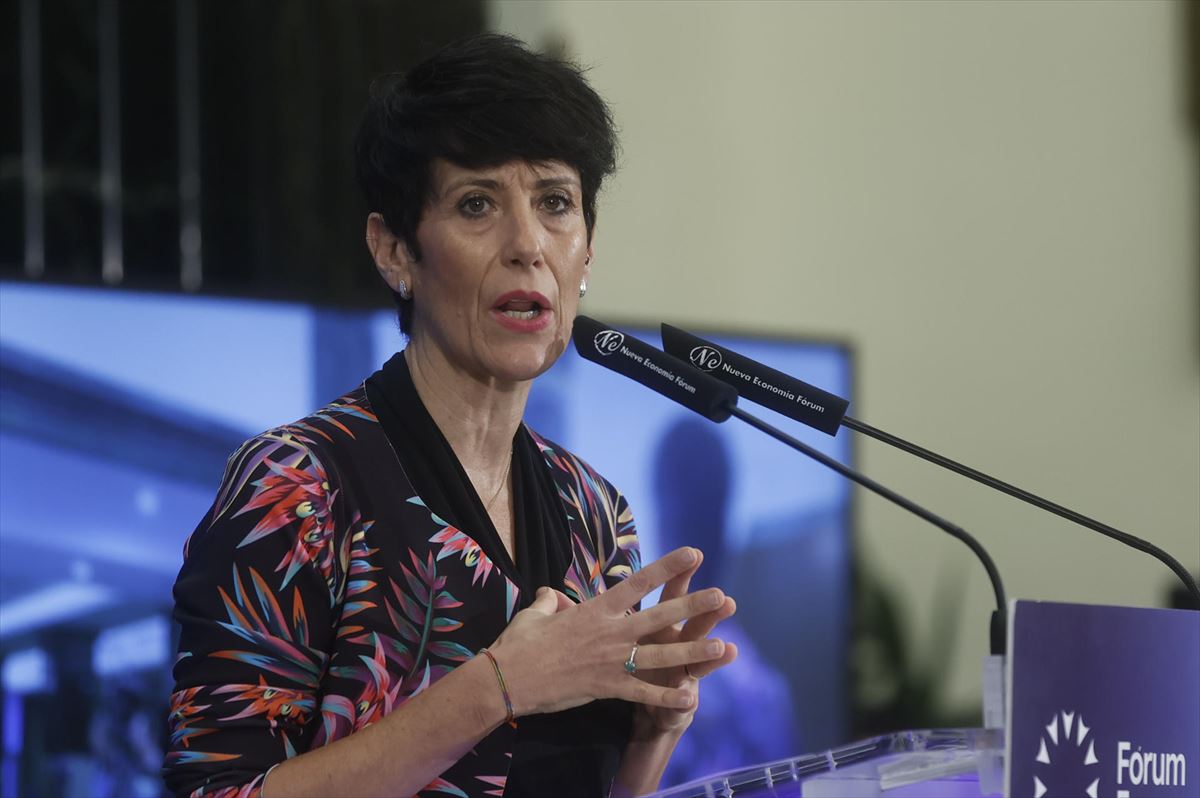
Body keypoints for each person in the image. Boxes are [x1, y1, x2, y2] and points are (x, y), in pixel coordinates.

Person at [163, 34, 738, 798]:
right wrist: (499, 684)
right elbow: (216, 791)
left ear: (587, 253)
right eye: (477, 204)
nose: (528, 245)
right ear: (395, 250)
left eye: (556, 203)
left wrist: (652, 734)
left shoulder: (595, 513)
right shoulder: (298, 488)